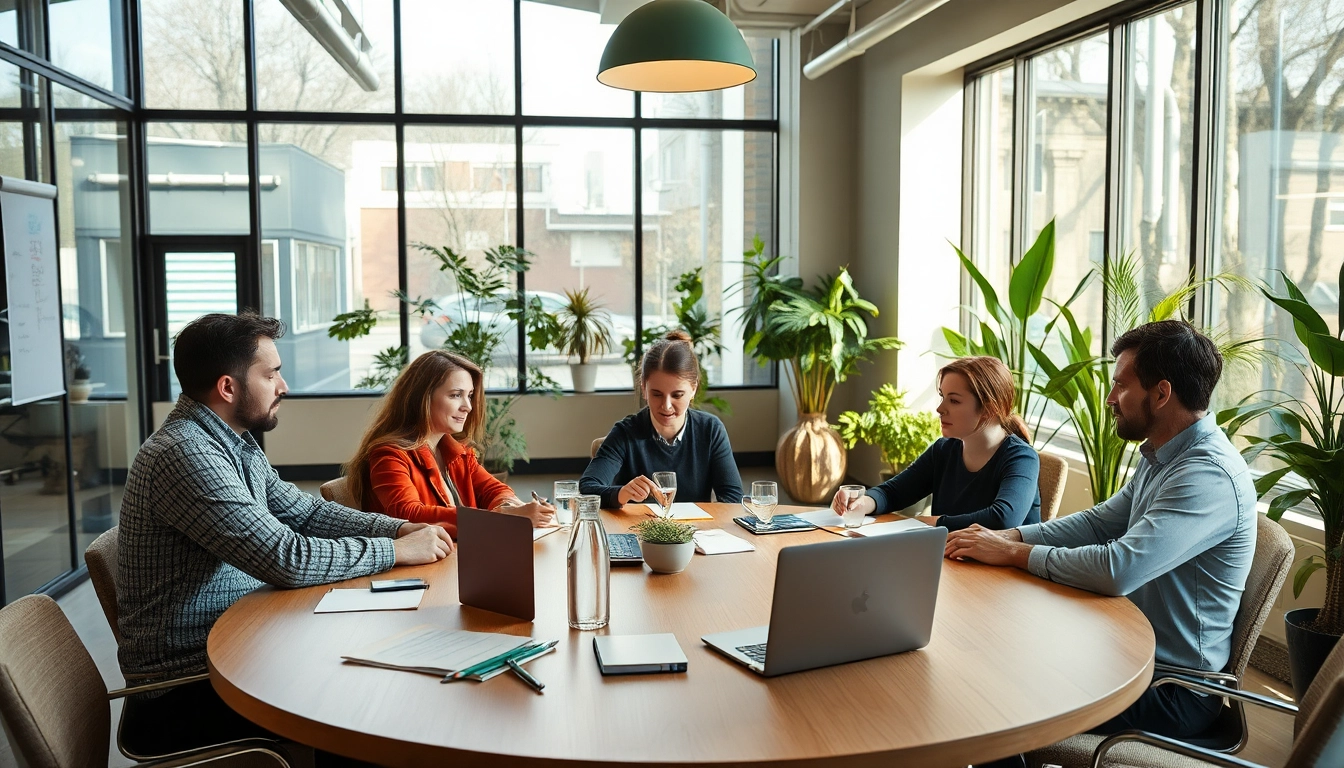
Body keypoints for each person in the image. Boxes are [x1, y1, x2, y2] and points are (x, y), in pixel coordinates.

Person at [117, 312, 454, 759]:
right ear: (228, 388)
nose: (283, 386)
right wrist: (394, 550)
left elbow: (305, 513)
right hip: (190, 685)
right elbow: (286, 558)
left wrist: (399, 527)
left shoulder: (232, 441)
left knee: (375, 671)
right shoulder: (184, 454)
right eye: (271, 373)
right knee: (364, 705)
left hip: (245, 642)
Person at [945, 320, 1256, 744]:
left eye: (1120, 386)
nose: (1110, 398)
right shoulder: (1164, 451)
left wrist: (1013, 554)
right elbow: (1098, 522)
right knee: (990, 662)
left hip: (1171, 690)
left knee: (996, 693)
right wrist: (1009, 539)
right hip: (1123, 653)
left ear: (1161, 394)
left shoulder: (1206, 475)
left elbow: (1118, 569)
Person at [345, 350, 555, 536]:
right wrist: (505, 517)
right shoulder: (388, 455)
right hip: (420, 571)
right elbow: (410, 515)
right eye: (456, 395)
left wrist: (510, 507)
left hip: (460, 558)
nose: (468, 407)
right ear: (423, 399)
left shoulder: (458, 452)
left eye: (470, 396)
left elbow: (495, 490)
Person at [831, 356, 1041, 531]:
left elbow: (1003, 519)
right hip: (954, 562)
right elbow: (892, 492)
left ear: (988, 409)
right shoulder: (943, 450)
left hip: (1005, 577)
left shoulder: (1021, 458)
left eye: (954, 400)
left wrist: (933, 523)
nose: (940, 409)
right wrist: (863, 503)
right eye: (942, 397)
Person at [581, 330, 743, 508]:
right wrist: (621, 493)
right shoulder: (626, 433)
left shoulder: (710, 429)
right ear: (644, 388)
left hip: (697, 532)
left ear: (693, 389)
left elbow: (733, 499)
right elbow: (588, 488)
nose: (666, 405)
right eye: (657, 394)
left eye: (677, 395)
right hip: (637, 532)